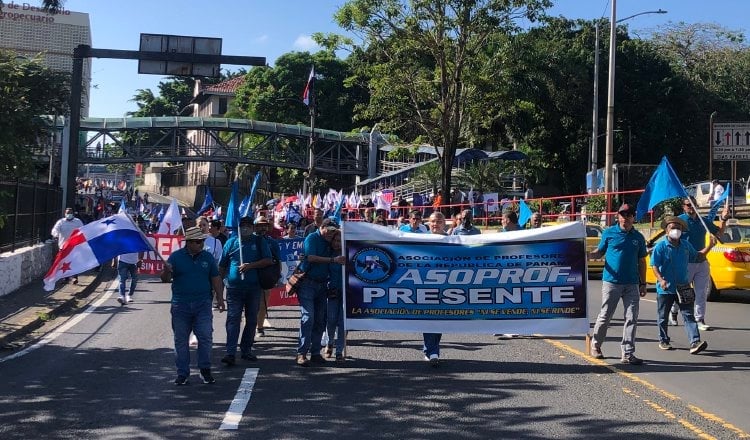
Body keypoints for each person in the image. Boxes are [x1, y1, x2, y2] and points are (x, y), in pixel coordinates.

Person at [160, 227, 225, 385]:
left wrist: (220, 299)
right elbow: (165, 279)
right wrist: (166, 271)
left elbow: (215, 278)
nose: (201, 244)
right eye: (197, 241)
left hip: (203, 303)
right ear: (188, 242)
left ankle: (205, 370)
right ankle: (182, 373)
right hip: (180, 305)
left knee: (205, 337)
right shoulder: (175, 257)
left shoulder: (208, 258)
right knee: (181, 340)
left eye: (202, 241)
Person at [587, 203, 647, 365]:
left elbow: (642, 261)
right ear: (617, 216)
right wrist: (587, 256)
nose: (625, 218)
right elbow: (600, 252)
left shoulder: (638, 237)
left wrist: (643, 283)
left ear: (633, 218)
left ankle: (628, 352)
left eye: (629, 215)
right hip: (612, 282)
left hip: (632, 283)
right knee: (606, 315)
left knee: (632, 317)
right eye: (622, 215)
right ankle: (596, 345)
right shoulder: (609, 233)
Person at [651, 216, 710, 355]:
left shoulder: (686, 245)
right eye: (672, 228)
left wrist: (710, 246)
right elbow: (654, 265)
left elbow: (697, 257)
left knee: (688, 315)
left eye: (678, 228)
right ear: (666, 231)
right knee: (662, 316)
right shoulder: (660, 246)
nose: (676, 230)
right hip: (666, 289)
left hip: (683, 286)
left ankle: (695, 341)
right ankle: (663, 340)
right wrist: (661, 280)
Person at [219, 216, 273, 366]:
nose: (246, 228)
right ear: (238, 227)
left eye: (249, 225)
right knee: (233, 319)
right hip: (234, 288)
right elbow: (222, 266)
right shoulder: (231, 243)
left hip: (254, 288)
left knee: (251, 320)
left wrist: (251, 265)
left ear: (253, 227)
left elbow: (269, 260)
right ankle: (230, 352)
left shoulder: (259, 242)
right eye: (243, 225)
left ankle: (246, 350)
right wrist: (218, 290)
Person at [672, 196, 728, 330]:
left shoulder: (703, 221)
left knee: (701, 292)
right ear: (683, 207)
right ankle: (673, 312)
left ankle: (699, 319)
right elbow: (672, 238)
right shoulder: (679, 221)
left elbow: (719, 234)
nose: (691, 207)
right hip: (685, 262)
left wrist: (724, 220)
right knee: (682, 292)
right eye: (688, 205)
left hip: (702, 261)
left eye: (693, 204)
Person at [296, 218, 346, 367]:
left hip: (323, 285)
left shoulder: (329, 241)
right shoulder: (312, 237)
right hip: (308, 283)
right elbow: (310, 258)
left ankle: (316, 353)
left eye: (333, 231)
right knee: (308, 317)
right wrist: (333, 260)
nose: (331, 234)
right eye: (329, 230)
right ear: (322, 227)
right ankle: (302, 353)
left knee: (320, 320)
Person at [423, 211, 448, 366]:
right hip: (424, 285)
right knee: (428, 318)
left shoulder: (452, 240)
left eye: (438, 221)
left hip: (446, 286)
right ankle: (432, 351)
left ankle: (430, 349)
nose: (435, 224)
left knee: (439, 319)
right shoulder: (419, 239)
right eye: (432, 221)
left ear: (444, 224)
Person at [253, 216, 280, 338]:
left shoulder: (273, 242)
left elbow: (278, 260)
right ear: (255, 226)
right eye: (260, 225)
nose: (263, 227)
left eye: (265, 225)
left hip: (266, 277)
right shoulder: (249, 240)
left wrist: (277, 277)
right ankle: (250, 327)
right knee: (250, 304)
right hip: (251, 276)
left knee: (263, 303)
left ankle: (260, 327)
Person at [324, 230, 346, 361]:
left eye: (339, 241)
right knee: (331, 320)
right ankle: (329, 342)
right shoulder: (328, 255)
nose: (337, 244)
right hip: (331, 291)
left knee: (343, 322)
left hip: (346, 292)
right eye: (335, 241)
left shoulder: (348, 254)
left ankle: (339, 351)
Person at [51, 207, 85, 284]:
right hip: (63, 246)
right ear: (65, 214)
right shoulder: (61, 222)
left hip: (74, 246)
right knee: (64, 262)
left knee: (74, 262)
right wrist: (56, 235)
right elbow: (55, 230)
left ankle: (74, 277)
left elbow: (82, 230)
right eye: (67, 213)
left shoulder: (77, 222)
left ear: (73, 213)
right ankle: (65, 278)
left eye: (70, 213)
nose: (69, 214)